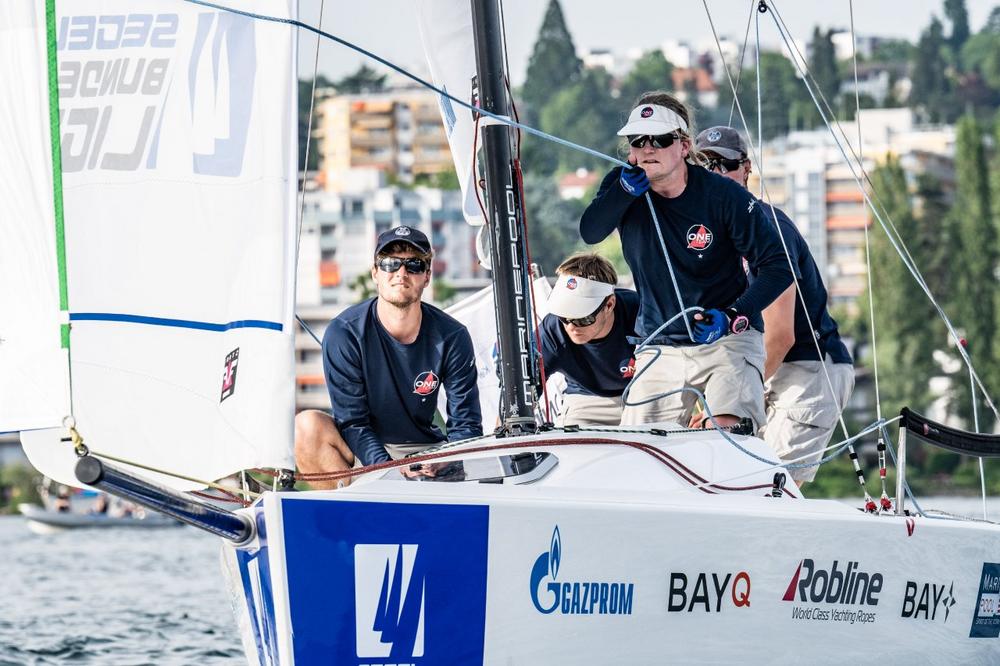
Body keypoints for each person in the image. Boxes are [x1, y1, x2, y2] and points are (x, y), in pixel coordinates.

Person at [580, 92, 793, 432]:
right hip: (660, 342)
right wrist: (621, 193)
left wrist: (732, 315)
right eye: (638, 140)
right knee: (641, 448)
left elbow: (779, 266)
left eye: (660, 139)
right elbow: (591, 231)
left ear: (684, 145)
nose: (648, 148)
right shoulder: (620, 186)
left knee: (726, 431)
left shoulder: (724, 195)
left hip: (726, 338)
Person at [695, 125, 854, 485]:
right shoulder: (713, 239)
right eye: (704, 166)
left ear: (745, 169)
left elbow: (780, 336)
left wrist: (730, 394)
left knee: (771, 487)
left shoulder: (767, 227)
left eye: (725, 165)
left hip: (807, 368)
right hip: (760, 365)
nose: (715, 173)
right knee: (727, 477)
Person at [295, 226, 483, 489]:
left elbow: (466, 424)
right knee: (305, 426)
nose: (401, 273)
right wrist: (390, 472)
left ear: (427, 276)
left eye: (414, 265)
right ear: (375, 273)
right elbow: (353, 422)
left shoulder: (452, 336)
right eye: (390, 263)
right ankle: (354, 509)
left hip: (425, 450)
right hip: (364, 451)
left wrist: (446, 459)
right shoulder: (344, 333)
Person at [540, 253, 640, 426]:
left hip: (639, 394)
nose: (571, 326)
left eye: (583, 318)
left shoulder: (639, 311)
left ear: (609, 305)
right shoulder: (553, 328)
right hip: (585, 399)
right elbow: (523, 384)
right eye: (564, 316)